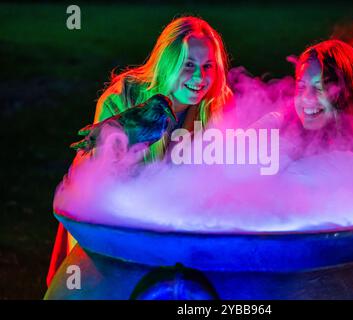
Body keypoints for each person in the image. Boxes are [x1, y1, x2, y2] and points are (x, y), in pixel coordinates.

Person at [46, 16, 233, 286]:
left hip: (177, 233)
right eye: (188, 65)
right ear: (167, 62)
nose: (199, 77)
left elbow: (218, 176)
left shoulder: (216, 106)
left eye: (207, 66)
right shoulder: (123, 99)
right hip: (108, 232)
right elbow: (99, 181)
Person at [263, 40, 353, 187]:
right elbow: (246, 158)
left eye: (320, 88)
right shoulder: (290, 120)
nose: (306, 97)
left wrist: (274, 170)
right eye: (301, 87)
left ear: (348, 92)